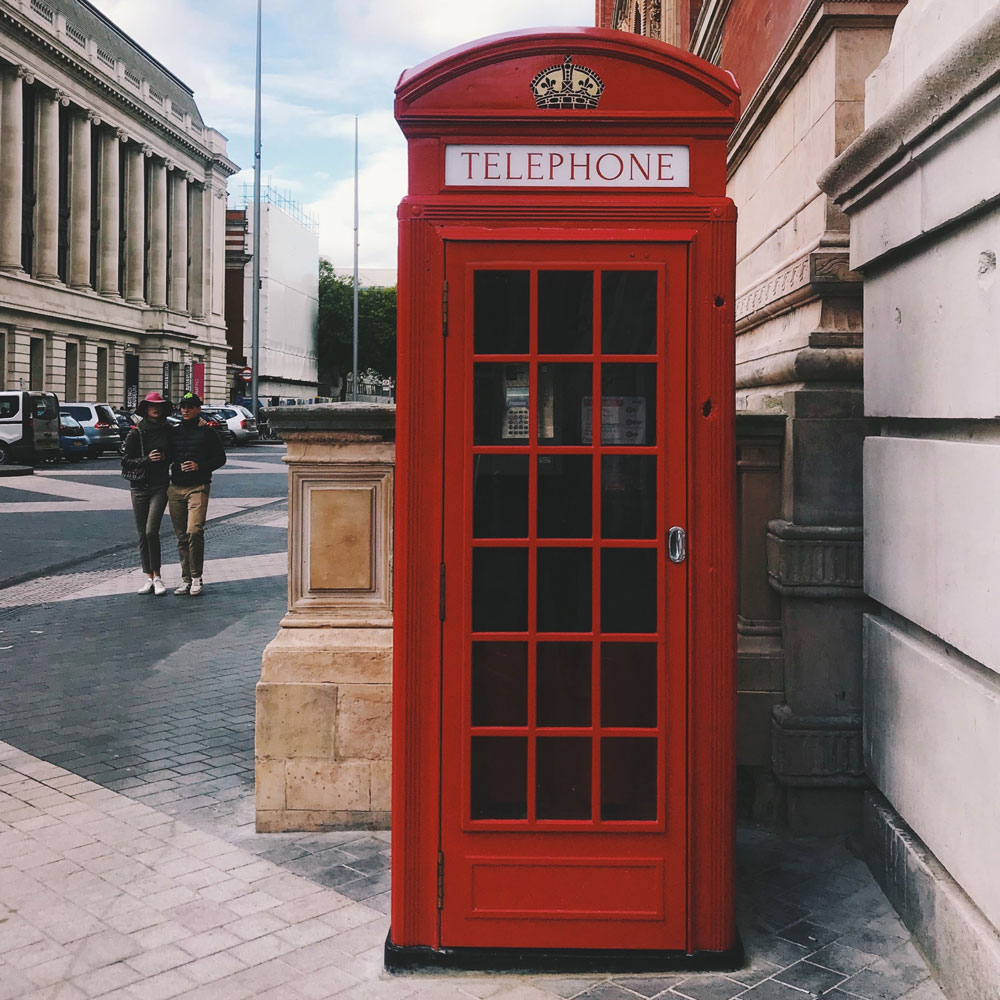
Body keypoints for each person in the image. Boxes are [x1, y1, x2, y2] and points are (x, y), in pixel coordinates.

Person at [167, 392, 226, 596]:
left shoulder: (207, 432)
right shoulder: (173, 431)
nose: (185, 410)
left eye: (190, 407)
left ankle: (196, 576)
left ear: (198, 409)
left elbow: (220, 458)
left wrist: (199, 465)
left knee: (194, 531)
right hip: (175, 488)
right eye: (182, 406)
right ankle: (186, 578)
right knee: (182, 535)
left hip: (198, 487)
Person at [122, 392, 174, 596]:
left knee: (152, 530)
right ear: (145, 409)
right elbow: (125, 460)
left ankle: (158, 576)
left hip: (159, 485)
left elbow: (176, 452)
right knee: (142, 533)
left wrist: (164, 457)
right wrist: (146, 460)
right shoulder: (137, 433)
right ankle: (149, 577)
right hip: (139, 487)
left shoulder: (168, 430)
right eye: (152, 405)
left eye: (159, 406)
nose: (156, 408)